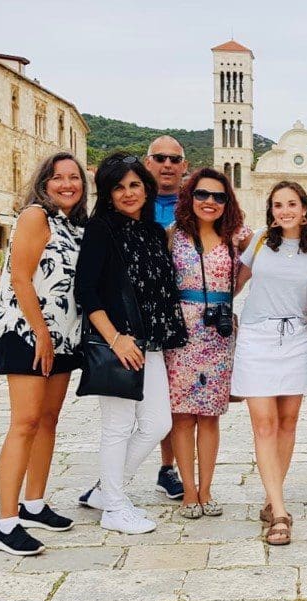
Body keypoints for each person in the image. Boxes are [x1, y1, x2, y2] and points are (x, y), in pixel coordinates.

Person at [75, 153, 188, 535]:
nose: (127, 193)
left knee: (158, 423)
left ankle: (106, 491)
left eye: (134, 185)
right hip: (118, 342)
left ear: (147, 187)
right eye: (118, 187)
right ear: (106, 193)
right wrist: (116, 338)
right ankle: (115, 507)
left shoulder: (155, 232)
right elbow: (86, 291)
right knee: (118, 426)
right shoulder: (101, 228)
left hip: (151, 341)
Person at [0, 152, 88, 556]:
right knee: (25, 422)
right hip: (26, 333)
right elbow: (20, 277)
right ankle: (5, 523)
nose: (67, 184)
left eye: (74, 177)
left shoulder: (73, 225)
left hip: (63, 336)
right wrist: (42, 335)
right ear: (43, 182)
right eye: (57, 177)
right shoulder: (35, 216)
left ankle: (34, 503)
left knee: (48, 420)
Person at [233, 181, 307, 545]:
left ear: (305, 208)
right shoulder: (258, 241)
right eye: (278, 205)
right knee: (265, 425)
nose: (284, 210)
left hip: (296, 340)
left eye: (292, 204)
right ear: (270, 210)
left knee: (288, 424)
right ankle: (280, 511)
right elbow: (234, 286)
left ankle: (271, 498)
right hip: (257, 338)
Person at [164, 168, 243, 521]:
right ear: (189, 196)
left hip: (219, 334)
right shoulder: (173, 236)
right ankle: (189, 492)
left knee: (210, 417)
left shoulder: (236, 239)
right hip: (181, 333)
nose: (210, 202)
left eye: (218, 196)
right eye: (202, 194)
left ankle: (207, 489)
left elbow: (244, 276)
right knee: (182, 417)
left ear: (228, 202)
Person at [144, 135, 189, 501]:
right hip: (139, 314)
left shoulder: (195, 206)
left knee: (175, 400)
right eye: (160, 158)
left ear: (184, 166)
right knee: (133, 400)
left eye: (175, 159)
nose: (168, 164)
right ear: (148, 163)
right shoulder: (133, 201)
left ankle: (168, 467)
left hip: (182, 313)